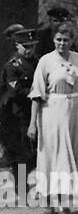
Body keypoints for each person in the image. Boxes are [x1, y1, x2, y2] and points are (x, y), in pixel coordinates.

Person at [27, 23, 78, 214]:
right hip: (51, 111)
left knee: (71, 152)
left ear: (72, 41)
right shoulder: (46, 61)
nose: (62, 44)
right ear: (53, 40)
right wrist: (33, 123)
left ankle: (65, 200)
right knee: (52, 153)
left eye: (66, 40)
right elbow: (37, 94)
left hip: (73, 111)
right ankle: (49, 198)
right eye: (58, 40)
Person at [1, 25, 38, 182]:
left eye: (32, 46)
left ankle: (20, 178)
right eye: (25, 47)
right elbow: (15, 92)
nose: (29, 50)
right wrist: (38, 93)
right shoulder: (12, 66)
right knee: (22, 152)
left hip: (36, 112)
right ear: (17, 45)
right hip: (16, 114)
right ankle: (21, 187)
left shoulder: (39, 62)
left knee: (35, 152)